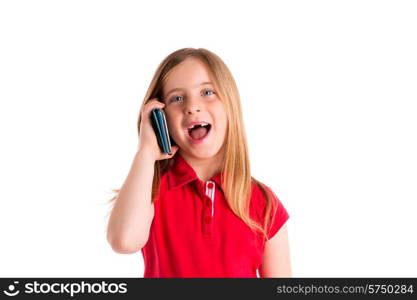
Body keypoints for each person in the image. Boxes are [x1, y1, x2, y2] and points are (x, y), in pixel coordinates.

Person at [106, 48, 292, 278]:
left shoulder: (264, 203)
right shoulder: (149, 190)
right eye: (177, 98)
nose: (192, 106)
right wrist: (146, 152)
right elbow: (124, 241)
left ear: (229, 104)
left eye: (207, 92)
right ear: (161, 118)